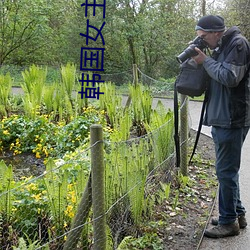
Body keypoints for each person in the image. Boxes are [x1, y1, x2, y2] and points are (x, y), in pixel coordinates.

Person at [192, 15, 250, 238]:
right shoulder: (221, 46)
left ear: (216, 32)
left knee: (225, 171)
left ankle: (228, 223)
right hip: (222, 117)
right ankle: (237, 214)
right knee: (227, 171)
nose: (203, 41)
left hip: (232, 118)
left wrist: (205, 61)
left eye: (204, 37)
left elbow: (229, 77)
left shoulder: (238, 44)